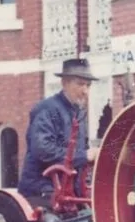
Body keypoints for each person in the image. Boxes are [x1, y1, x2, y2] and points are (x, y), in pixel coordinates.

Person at [18, 58, 99, 202]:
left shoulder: (78, 113)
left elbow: (80, 152)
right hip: (41, 192)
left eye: (88, 85)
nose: (85, 91)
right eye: (80, 84)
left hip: (67, 194)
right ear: (64, 83)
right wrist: (84, 156)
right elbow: (43, 150)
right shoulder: (47, 109)